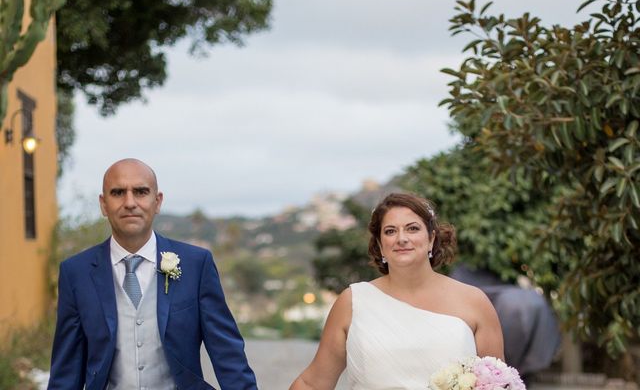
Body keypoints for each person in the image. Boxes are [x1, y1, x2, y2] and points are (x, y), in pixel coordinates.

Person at [48, 158, 257, 390]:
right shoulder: (76, 273)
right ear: (103, 204)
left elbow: (227, 355)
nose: (130, 202)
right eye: (118, 192)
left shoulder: (196, 264)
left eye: (140, 192)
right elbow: (67, 370)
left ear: (157, 201)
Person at [290, 192, 504, 390]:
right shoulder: (353, 301)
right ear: (381, 246)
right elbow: (313, 383)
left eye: (412, 228)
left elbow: (497, 382)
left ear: (431, 239)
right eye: (390, 231)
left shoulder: (474, 301)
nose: (402, 238)